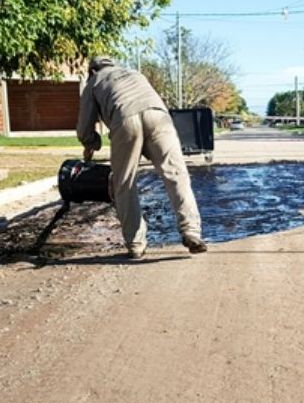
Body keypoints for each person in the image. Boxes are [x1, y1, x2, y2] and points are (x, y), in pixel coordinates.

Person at [77, 56, 207, 259]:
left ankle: (136, 244)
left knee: (124, 183)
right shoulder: (135, 74)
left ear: (92, 71)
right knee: (176, 174)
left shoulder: (93, 83)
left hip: (125, 119)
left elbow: (85, 126)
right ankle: (191, 231)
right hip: (159, 117)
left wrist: (90, 144)